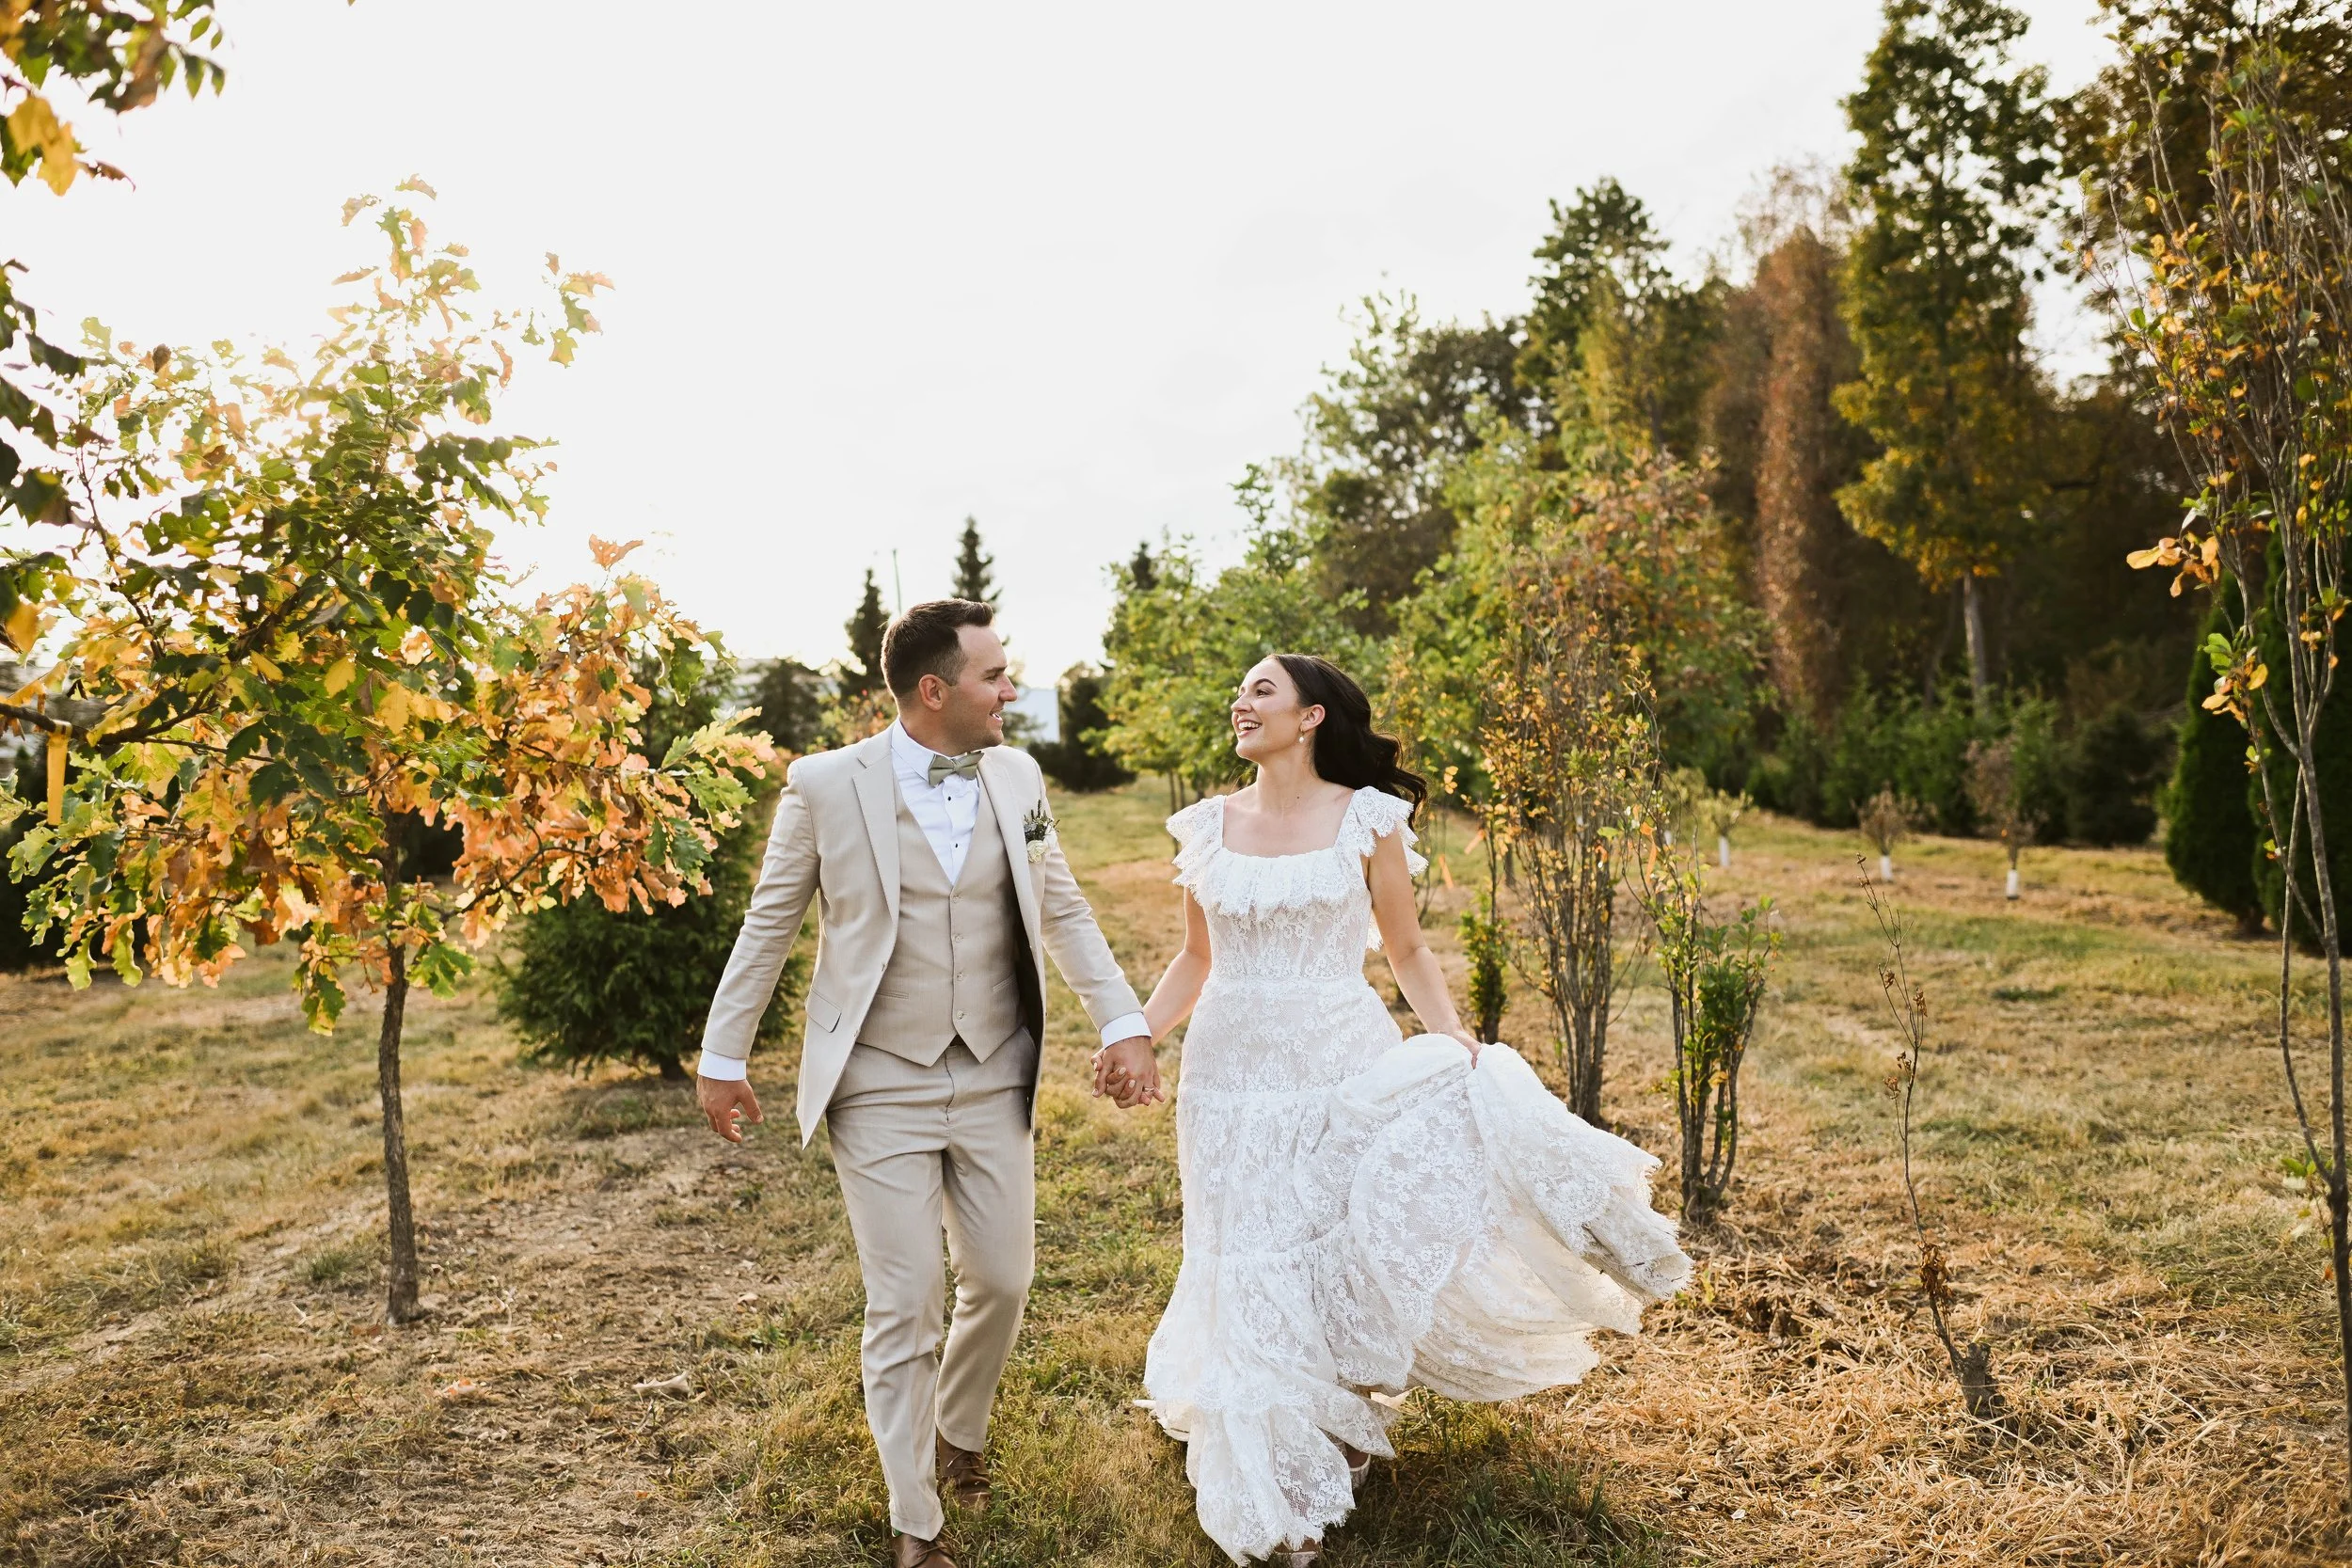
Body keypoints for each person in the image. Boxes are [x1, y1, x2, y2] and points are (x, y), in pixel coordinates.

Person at [1134, 653, 1692, 1566]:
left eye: (1260, 688)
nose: (1241, 700)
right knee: (1248, 1243)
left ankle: (1337, 1410)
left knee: (1335, 1235)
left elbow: (1403, 944)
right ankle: (1284, 1446)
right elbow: (1195, 957)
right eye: (1241, 689)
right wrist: (1140, 1031)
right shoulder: (1205, 825)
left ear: (1312, 715)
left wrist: (1454, 1040)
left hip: (1339, 1059)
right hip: (1229, 1073)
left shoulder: (1366, 819)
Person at [693, 598, 1160, 1568]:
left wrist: (1124, 1020)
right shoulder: (824, 785)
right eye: (996, 675)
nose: (1011, 690)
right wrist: (722, 1055)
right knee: (903, 1301)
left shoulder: (1019, 774)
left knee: (1001, 1277)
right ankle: (917, 1521)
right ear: (935, 689)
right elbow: (770, 922)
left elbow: (1062, 905)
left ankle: (959, 1425)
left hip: (993, 1071)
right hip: (877, 1079)